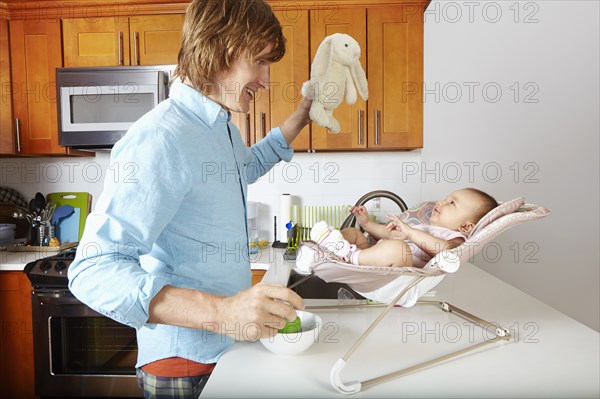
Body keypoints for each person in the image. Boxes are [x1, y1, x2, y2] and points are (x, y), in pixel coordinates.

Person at [68, 0, 310, 397]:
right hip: (182, 364)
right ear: (221, 49)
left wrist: (300, 116)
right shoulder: (161, 138)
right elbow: (94, 268)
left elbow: (244, 169)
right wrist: (223, 312)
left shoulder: (220, 128)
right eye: (261, 62)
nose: (266, 80)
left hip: (223, 352)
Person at [310, 188, 498, 268]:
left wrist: (410, 232)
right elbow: (386, 233)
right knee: (355, 233)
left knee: (398, 249)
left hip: (398, 266)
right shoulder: (422, 227)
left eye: (451, 203)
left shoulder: (454, 239)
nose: (441, 202)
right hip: (375, 254)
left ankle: (348, 255)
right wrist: (366, 223)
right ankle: (326, 247)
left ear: (465, 226)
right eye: (445, 198)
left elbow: (446, 251)